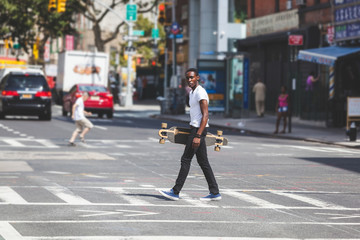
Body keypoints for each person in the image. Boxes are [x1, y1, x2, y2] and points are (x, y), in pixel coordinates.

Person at [159, 68, 221, 201]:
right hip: (195, 128)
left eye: (192, 77)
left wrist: (198, 136)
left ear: (198, 78)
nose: (190, 80)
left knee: (186, 160)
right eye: (187, 78)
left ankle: (175, 191)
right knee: (203, 162)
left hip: (198, 130)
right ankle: (215, 192)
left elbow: (205, 116)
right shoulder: (192, 92)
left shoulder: (200, 92)